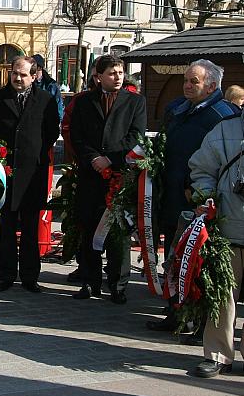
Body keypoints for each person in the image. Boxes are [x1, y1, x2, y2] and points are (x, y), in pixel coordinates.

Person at [148, 60, 238, 336]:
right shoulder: (177, 109)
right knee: (174, 257)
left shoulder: (223, 115)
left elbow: (219, 162)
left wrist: (195, 187)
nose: (187, 85)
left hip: (201, 199)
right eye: (186, 80)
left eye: (194, 81)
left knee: (200, 261)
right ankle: (174, 311)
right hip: (172, 196)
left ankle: (200, 322)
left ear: (211, 85)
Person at [70, 55, 146, 303]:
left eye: (120, 73)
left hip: (119, 176)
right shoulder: (83, 102)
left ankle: (118, 285)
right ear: (98, 76)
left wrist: (111, 159)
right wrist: (93, 158)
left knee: (118, 233)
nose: (117, 77)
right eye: (112, 73)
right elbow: (77, 135)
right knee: (89, 227)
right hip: (91, 176)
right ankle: (90, 281)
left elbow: (136, 137)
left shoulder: (135, 102)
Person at [0, 56, 60, 293]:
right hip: (5, 171)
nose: (18, 78)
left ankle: (29, 276)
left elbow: (51, 132)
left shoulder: (45, 100)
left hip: (32, 172)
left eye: (23, 74)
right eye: (15, 73)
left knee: (30, 227)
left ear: (34, 75)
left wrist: (33, 153)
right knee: (6, 226)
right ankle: (5, 275)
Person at [188, 113, 244, 378]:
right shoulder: (225, 129)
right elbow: (201, 169)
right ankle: (218, 355)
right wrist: (207, 197)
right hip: (227, 228)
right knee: (222, 296)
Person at [32, 54, 64, 120]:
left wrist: (57, 122)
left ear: (40, 68)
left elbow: (59, 105)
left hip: (48, 120)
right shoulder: (28, 83)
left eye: (37, 69)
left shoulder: (51, 85)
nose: (34, 73)